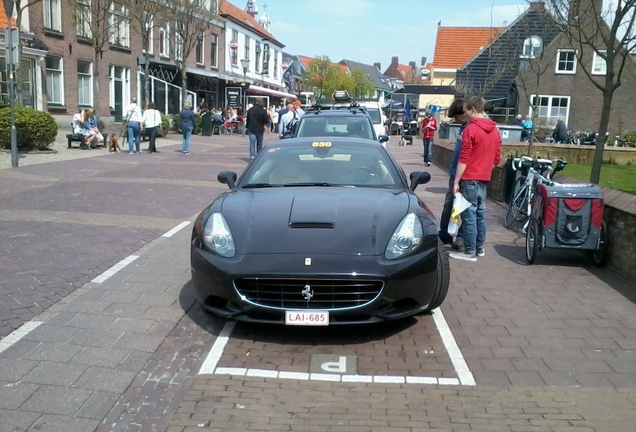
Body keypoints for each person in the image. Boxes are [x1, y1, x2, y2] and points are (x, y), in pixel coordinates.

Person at [449, 96, 502, 262]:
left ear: (473, 109)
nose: (465, 115)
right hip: (484, 178)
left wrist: (457, 181)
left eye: (466, 111)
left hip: (470, 177)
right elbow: (497, 157)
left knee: (469, 214)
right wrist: (485, 169)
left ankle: (469, 251)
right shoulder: (494, 130)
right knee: (480, 213)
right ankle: (479, 248)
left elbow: (464, 158)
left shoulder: (470, 130)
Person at [439, 98, 469, 247]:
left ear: (463, 114)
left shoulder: (470, 128)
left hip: (465, 173)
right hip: (455, 171)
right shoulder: (463, 128)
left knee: (462, 206)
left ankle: (461, 237)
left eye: (457, 117)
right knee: (449, 204)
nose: (456, 121)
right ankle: (445, 234)